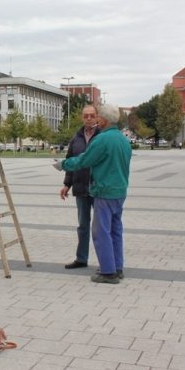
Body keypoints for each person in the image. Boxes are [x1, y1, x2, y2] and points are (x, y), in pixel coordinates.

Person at [52, 103, 132, 284]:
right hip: (119, 191)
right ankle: (117, 267)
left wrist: (63, 164)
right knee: (115, 230)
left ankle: (108, 271)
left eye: (96, 117)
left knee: (100, 231)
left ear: (102, 120)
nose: (94, 120)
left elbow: (85, 160)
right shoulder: (123, 139)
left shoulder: (102, 140)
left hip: (105, 191)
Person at [60, 105, 99, 270]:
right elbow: (70, 162)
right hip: (81, 188)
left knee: (100, 227)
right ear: (82, 118)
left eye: (92, 115)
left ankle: (105, 261)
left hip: (99, 189)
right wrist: (66, 184)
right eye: (86, 116)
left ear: (97, 117)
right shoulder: (76, 138)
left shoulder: (102, 137)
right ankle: (81, 258)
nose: (89, 118)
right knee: (83, 225)